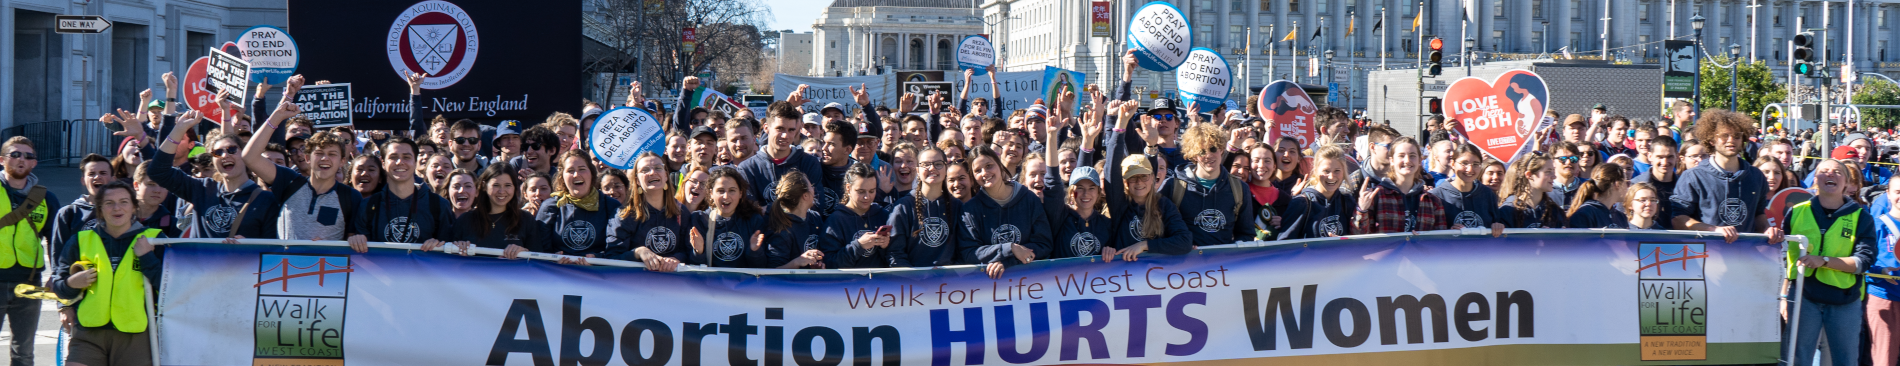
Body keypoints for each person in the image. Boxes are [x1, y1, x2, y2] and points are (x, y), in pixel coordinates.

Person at [50, 181, 162, 366]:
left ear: (134, 206)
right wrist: (71, 284)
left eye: (124, 202)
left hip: (135, 335)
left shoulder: (154, 239)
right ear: (100, 209)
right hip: (88, 333)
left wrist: (147, 258)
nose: (116, 208)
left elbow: (170, 288)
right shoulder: (80, 240)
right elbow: (60, 289)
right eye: (109, 203)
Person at [1782, 158, 1874, 366]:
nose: (1830, 174)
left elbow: (1863, 262)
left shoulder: (1862, 217)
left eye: (1837, 172)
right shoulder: (1796, 212)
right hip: (1804, 297)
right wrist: (1783, 297)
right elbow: (1782, 257)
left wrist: (1824, 261)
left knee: (1845, 361)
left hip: (1845, 299)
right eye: (1824, 171)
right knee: (1795, 359)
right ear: (1815, 179)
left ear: (1847, 184)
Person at [150, 111, 279, 239]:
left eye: (232, 150)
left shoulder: (266, 200)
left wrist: (250, 246)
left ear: (244, 155)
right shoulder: (202, 189)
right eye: (218, 152)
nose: (225, 155)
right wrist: (179, 129)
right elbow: (158, 171)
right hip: (201, 260)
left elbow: (272, 250)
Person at [245, 101, 360, 242]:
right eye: (319, 153)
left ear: (342, 161)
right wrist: (276, 117)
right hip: (283, 264)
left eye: (332, 154)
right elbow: (249, 157)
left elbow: (352, 239)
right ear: (307, 158)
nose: (325, 158)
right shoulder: (289, 182)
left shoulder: (351, 197)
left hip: (328, 264)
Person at [1671, 110, 1780, 243]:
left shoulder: (1756, 176)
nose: (1731, 140)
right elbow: (1678, 219)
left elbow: (1758, 214)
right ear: (1711, 139)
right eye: (1724, 136)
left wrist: (1768, 229)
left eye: (1737, 136)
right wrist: (1714, 230)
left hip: (1747, 255)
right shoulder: (1693, 176)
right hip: (1706, 254)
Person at [347, 137, 462, 251]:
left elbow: (449, 253)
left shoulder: (439, 205)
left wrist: (440, 245)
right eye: (393, 157)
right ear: (383, 162)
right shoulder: (368, 205)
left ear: (415, 161)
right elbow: (362, 256)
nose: (400, 162)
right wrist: (356, 241)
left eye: (406, 157)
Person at [959, 146, 1051, 278]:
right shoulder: (970, 210)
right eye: (978, 170)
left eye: (989, 166)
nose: (984, 173)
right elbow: (969, 253)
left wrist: (1009, 261)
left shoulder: (1029, 199)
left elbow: (1044, 244)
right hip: (992, 289)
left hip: (1031, 283)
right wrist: (1009, 248)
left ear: (999, 165)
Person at [1162, 123, 1258, 245]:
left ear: (1222, 149)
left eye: (1213, 149)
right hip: (1185, 262)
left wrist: (1232, 251)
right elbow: (1159, 228)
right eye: (1201, 152)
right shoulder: (1173, 186)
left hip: (1224, 262)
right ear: (1194, 155)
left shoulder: (1240, 188)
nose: (1208, 155)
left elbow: (1246, 233)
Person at [608, 154, 696, 272]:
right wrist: (638, 252)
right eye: (645, 170)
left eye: (658, 168)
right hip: (635, 285)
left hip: (674, 285)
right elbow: (611, 258)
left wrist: (677, 259)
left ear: (666, 175)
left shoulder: (681, 212)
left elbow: (690, 253)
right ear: (637, 180)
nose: (652, 172)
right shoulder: (624, 215)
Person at [538, 150, 622, 262]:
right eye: (570, 171)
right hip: (558, 274)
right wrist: (552, 258)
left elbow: (617, 250)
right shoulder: (550, 206)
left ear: (592, 173)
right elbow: (538, 249)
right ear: (562, 176)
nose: (576, 175)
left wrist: (597, 260)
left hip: (597, 275)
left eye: (582, 169)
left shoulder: (611, 206)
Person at [886, 147, 965, 267]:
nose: (932, 168)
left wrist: (950, 274)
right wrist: (918, 278)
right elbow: (895, 253)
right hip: (913, 282)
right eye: (926, 164)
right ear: (917, 170)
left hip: (949, 282)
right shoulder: (902, 207)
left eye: (938, 164)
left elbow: (964, 250)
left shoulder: (957, 206)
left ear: (946, 168)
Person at [738, 102, 827, 205]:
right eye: (780, 129)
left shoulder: (809, 163)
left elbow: (816, 206)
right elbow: (749, 213)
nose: (785, 135)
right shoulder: (748, 168)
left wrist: (766, 210)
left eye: (791, 130)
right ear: (766, 128)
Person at [1354, 136, 1448, 234]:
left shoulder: (1432, 201)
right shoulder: (1376, 196)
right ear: (1392, 161)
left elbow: (1440, 242)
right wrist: (1362, 210)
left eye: (1412, 155)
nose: (1407, 160)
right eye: (1401, 156)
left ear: (1420, 160)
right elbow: (1358, 237)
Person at [454, 163, 537, 258]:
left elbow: (538, 261)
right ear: (484, 186)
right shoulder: (465, 220)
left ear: (515, 187)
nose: (502, 191)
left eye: (508, 185)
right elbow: (445, 260)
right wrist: (457, 250)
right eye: (496, 185)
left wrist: (524, 253)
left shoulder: (526, 220)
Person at [689, 167, 767, 268]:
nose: (726, 196)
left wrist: (755, 251)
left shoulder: (753, 220)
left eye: (732, 191)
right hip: (711, 282)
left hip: (744, 283)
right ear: (711, 194)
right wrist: (698, 252)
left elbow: (761, 268)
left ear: (740, 193)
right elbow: (693, 269)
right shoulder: (699, 219)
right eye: (721, 191)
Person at [821, 163, 893, 268]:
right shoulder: (835, 220)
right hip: (848, 283)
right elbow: (829, 262)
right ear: (848, 188)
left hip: (879, 283)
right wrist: (859, 246)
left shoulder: (883, 215)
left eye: (872, 191)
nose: (867, 197)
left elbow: (895, 257)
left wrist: (885, 247)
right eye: (861, 192)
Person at [1277, 145, 1356, 239]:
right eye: (1326, 171)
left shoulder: (1347, 201)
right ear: (1316, 170)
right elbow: (1285, 246)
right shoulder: (1301, 203)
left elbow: (1358, 243)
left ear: (1343, 171)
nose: (1331, 176)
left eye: (1337, 171)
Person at [51, 154, 116, 264]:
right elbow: (59, 255)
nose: (97, 177)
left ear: (113, 179)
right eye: (91, 174)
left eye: (103, 173)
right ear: (83, 180)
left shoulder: (122, 211)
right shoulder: (68, 214)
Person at [1431, 143, 1505, 236]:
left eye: (1475, 164)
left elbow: (1496, 224)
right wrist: (1449, 232)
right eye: (1464, 163)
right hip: (1451, 249)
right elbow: (1429, 233)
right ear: (1453, 164)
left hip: (1483, 249)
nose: (1470, 169)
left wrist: (1497, 226)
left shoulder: (1487, 194)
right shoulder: (1436, 196)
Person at [760, 171, 827, 269]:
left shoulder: (815, 217)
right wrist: (797, 262)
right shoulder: (782, 230)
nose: (813, 189)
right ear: (805, 196)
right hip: (789, 284)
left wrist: (817, 265)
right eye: (811, 186)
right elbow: (773, 272)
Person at [1867, 182, 1900, 366]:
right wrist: (1881, 271)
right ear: (1888, 194)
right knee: (1884, 358)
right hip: (1884, 297)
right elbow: (1863, 260)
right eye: (1898, 192)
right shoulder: (1877, 224)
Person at [1499, 155, 1566, 228]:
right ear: (1529, 175)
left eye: (1553, 171)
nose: (1554, 176)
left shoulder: (1555, 211)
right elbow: (1504, 238)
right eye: (1548, 172)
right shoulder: (1508, 210)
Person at [1631, 136, 1680, 223]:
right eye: (1660, 157)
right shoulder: (1636, 185)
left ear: (1677, 157)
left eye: (1670, 157)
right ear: (1650, 156)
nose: (1665, 162)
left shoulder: (1684, 185)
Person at [1565, 164, 1630, 229]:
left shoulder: (1621, 217)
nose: (1628, 187)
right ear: (1617, 184)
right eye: (1626, 182)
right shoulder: (1584, 215)